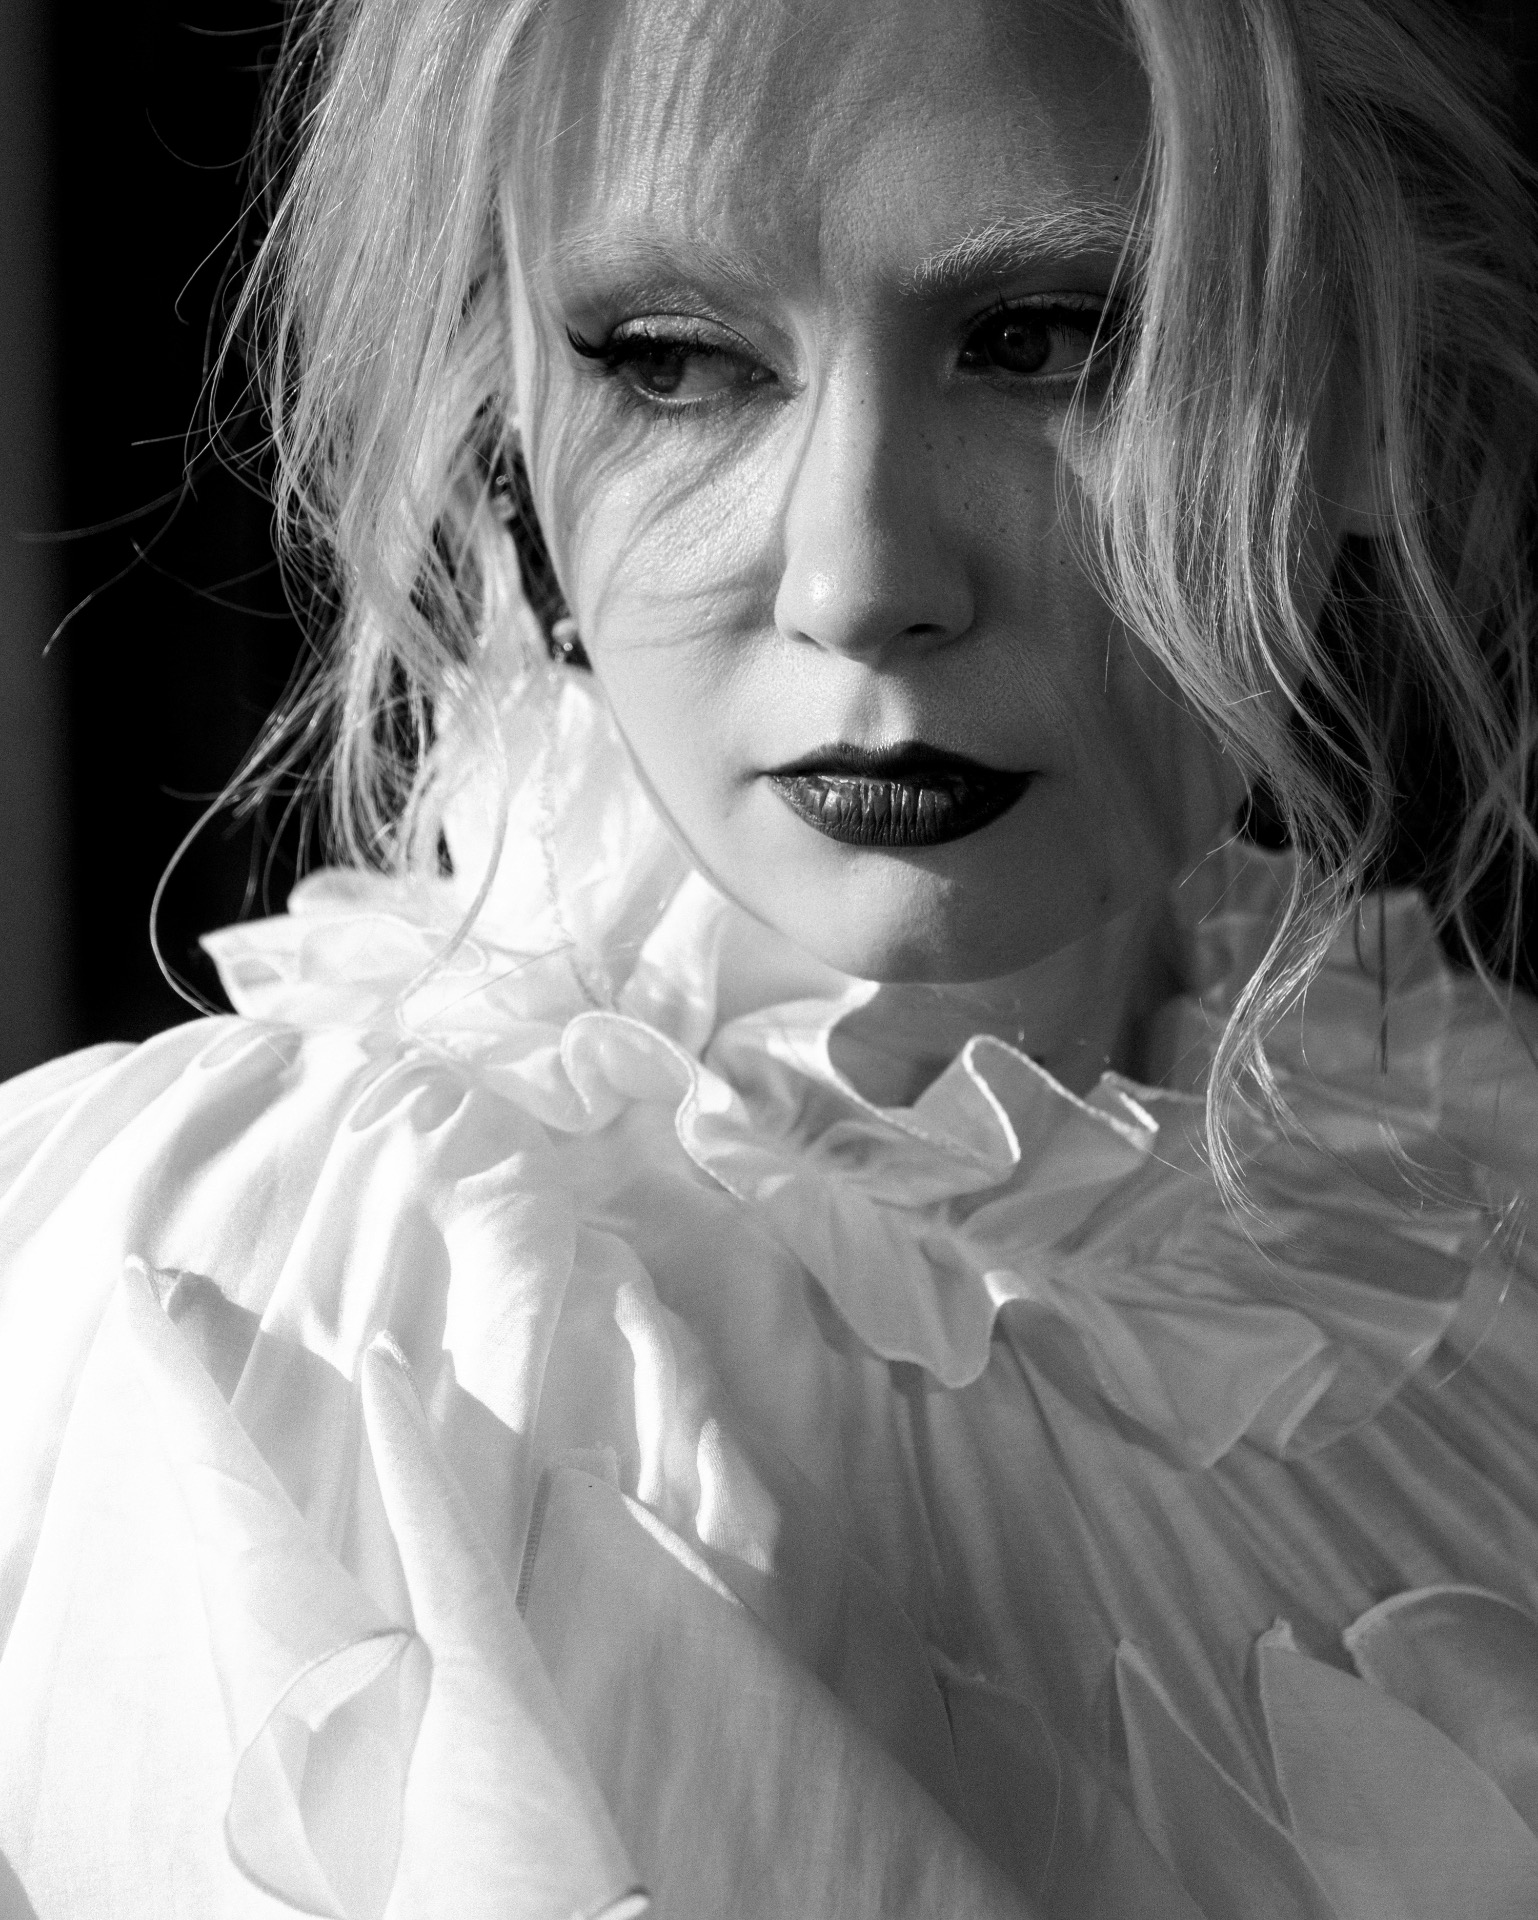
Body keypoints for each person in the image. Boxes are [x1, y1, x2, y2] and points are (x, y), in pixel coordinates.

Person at [3, 0, 1538, 1912]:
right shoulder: (287, 1282)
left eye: (1049, 340)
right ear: (500, 418)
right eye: (670, 361)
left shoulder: (1471, 1189)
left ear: (1371, 401)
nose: (856, 581)